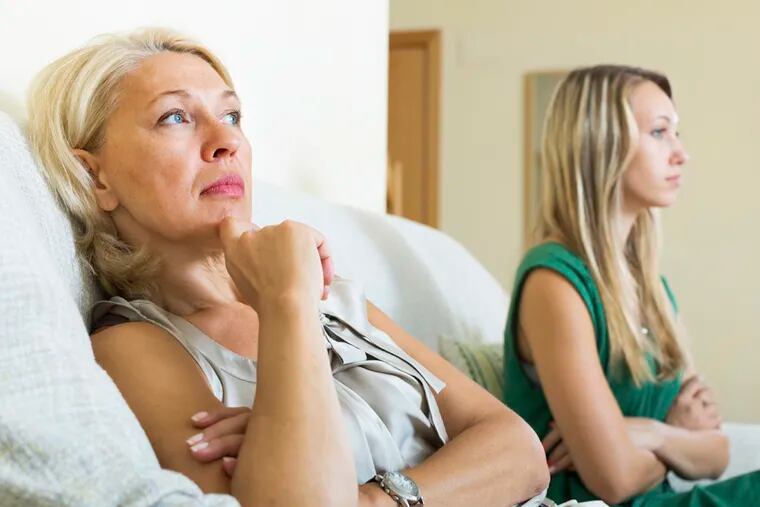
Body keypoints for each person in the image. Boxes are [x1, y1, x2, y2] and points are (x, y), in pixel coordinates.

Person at [27, 28, 550, 507]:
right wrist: (286, 300)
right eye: (176, 117)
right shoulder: (135, 346)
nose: (227, 141)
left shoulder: (333, 294)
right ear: (94, 177)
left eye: (232, 116)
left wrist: (372, 501)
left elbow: (522, 452)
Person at [502, 64, 760, 506]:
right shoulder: (554, 281)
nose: (681, 153)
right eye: (659, 132)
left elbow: (717, 452)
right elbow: (615, 480)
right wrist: (677, 435)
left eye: (676, 133)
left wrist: (652, 434)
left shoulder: (651, 288)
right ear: (600, 146)